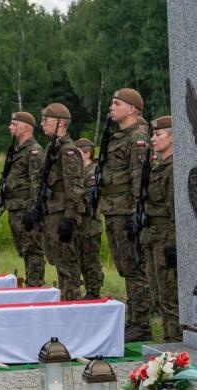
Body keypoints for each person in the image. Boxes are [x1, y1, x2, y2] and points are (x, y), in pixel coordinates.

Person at [98, 88, 153, 340]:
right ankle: (134, 319)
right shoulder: (117, 136)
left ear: (131, 109)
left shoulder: (137, 138)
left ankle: (141, 324)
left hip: (125, 211)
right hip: (112, 209)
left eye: (117, 103)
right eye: (112, 102)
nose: (112, 107)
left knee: (133, 268)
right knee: (124, 267)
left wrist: (134, 213)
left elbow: (138, 179)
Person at [39, 105, 87, 300]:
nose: (42, 123)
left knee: (68, 265)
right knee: (59, 263)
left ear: (60, 122)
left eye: (46, 120)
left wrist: (69, 219)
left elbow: (74, 188)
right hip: (53, 212)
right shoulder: (52, 148)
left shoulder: (67, 151)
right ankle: (66, 302)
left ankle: (72, 303)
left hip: (62, 215)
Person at [142, 116, 180, 341]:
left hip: (165, 239)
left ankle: (176, 345)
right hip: (152, 238)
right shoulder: (157, 168)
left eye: (159, 135)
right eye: (153, 135)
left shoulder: (173, 168)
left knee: (169, 297)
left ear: (173, 137)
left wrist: (173, 244)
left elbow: (174, 210)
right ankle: (168, 341)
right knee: (157, 295)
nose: (153, 139)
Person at [6, 110, 49, 287]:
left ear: (26, 127)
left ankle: (36, 283)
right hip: (16, 206)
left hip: (26, 208)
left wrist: (33, 210)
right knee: (24, 248)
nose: (10, 127)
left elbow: (36, 184)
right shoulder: (18, 150)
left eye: (14, 124)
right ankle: (32, 279)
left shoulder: (34, 151)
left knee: (33, 248)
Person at [76, 138, 105, 299]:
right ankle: (89, 289)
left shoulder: (93, 172)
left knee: (91, 260)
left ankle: (94, 290)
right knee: (82, 259)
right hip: (81, 223)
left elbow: (90, 199)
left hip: (90, 224)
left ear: (86, 153)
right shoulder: (79, 172)